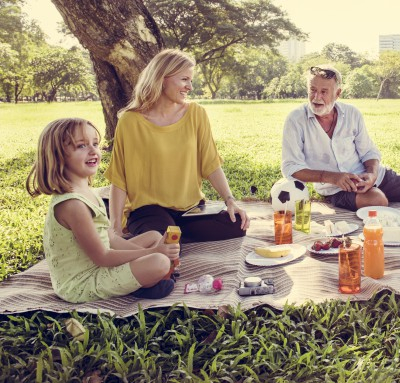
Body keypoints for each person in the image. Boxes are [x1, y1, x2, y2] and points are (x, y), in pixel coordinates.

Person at [26, 118, 180, 303]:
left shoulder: (89, 193)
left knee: (155, 236)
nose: (93, 151)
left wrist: (155, 249)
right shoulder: (73, 206)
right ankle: (143, 285)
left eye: (95, 144)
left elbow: (112, 239)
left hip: (100, 266)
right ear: (58, 156)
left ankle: (147, 277)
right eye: (81, 146)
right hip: (82, 284)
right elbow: (103, 257)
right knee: (159, 262)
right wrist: (154, 254)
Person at [105, 49, 249, 242]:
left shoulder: (196, 113)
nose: (189, 86)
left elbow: (211, 164)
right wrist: (115, 227)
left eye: (190, 80)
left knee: (236, 225)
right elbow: (119, 178)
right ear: (162, 78)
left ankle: (162, 236)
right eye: (184, 79)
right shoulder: (130, 121)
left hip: (190, 209)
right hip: (148, 210)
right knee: (166, 245)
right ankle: (158, 236)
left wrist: (230, 201)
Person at [281, 64, 400, 211]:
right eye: (313, 90)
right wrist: (332, 178)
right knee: (377, 200)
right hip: (336, 188)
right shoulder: (296, 119)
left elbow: (368, 152)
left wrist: (372, 174)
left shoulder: (352, 114)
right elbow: (291, 167)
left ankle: (378, 193)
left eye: (324, 92)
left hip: (372, 175)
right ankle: (375, 197)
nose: (316, 97)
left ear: (337, 93)